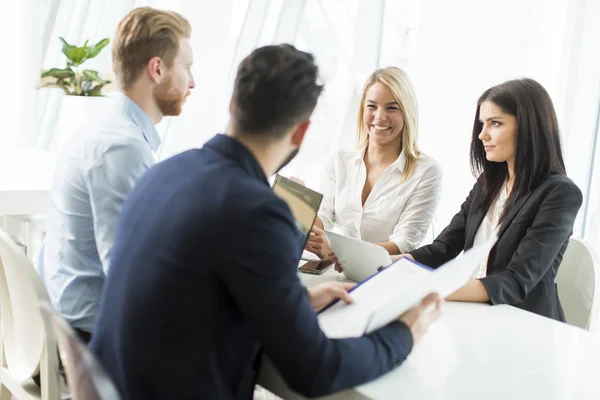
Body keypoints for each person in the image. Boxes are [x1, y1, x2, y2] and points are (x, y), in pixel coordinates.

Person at [90, 44, 442, 399]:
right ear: (301, 132)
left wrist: (294, 306)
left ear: (233, 105)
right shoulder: (257, 211)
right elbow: (315, 369)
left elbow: (196, 296)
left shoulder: (164, 171)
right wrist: (405, 332)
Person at [36, 6, 195, 342]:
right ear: (157, 68)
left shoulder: (106, 129)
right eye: (187, 67)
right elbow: (131, 277)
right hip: (90, 339)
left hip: (72, 319)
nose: (192, 82)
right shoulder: (122, 148)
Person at [402, 78, 582, 321]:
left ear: (530, 127)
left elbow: (515, 281)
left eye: (495, 123)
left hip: (523, 324)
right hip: (472, 315)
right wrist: (386, 266)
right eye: (481, 124)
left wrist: (426, 289)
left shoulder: (560, 193)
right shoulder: (488, 183)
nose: (482, 135)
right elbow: (443, 249)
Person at [305, 67, 442, 261]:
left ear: (407, 112)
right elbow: (323, 219)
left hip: (385, 275)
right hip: (334, 270)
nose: (379, 117)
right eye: (372, 106)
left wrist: (341, 254)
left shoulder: (426, 172)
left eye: (391, 108)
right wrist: (300, 208)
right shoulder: (339, 161)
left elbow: (404, 243)